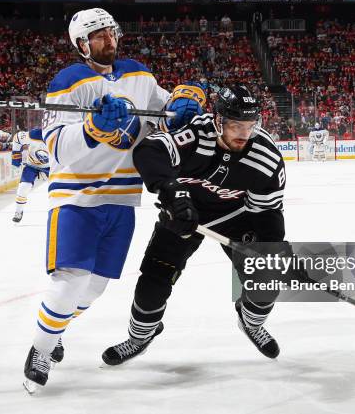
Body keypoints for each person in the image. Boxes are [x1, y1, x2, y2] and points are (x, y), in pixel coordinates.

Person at [22, 7, 205, 393]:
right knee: (70, 281)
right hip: (77, 196)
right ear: (81, 44)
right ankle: (39, 352)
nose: (109, 40)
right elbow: (57, 148)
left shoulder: (138, 73)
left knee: (97, 286)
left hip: (123, 198)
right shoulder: (69, 82)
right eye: (98, 36)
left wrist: (184, 101)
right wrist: (93, 127)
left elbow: (162, 111)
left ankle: (54, 334)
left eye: (111, 33)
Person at [102, 85, 286, 366]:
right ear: (218, 120)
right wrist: (173, 192)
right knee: (153, 283)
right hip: (183, 212)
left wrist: (270, 247)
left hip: (235, 217)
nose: (243, 134)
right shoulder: (198, 135)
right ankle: (140, 337)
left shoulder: (266, 157)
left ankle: (250, 322)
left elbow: (269, 212)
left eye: (250, 125)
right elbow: (149, 152)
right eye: (235, 125)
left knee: (266, 278)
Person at [10, 128, 50, 223]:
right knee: (23, 187)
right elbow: (17, 138)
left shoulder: (59, 135)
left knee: (58, 189)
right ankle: (18, 211)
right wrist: (16, 159)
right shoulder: (34, 134)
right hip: (32, 165)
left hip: (50, 167)